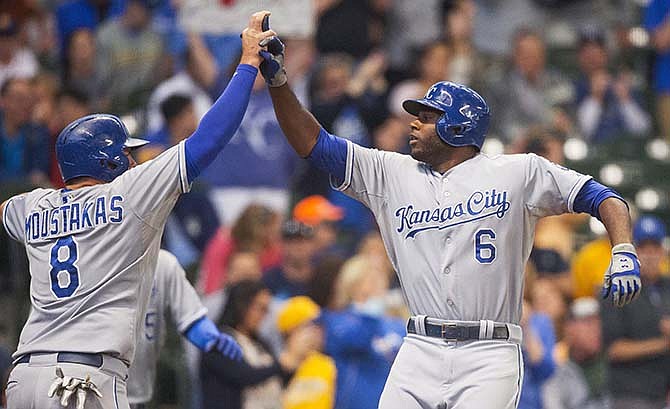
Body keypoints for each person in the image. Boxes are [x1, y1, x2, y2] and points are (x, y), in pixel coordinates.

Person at [257, 18, 641, 408]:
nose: (414, 122)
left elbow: (600, 196)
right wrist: (279, 84)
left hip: (489, 352)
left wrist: (623, 250)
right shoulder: (391, 172)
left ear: (459, 127)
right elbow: (314, 143)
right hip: (419, 346)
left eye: (427, 116)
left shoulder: (517, 171)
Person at [0, 11, 275, 409]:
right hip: (84, 380)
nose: (132, 161)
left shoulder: (33, 204)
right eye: (125, 153)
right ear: (107, 161)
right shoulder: (130, 192)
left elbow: (5, 208)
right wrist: (248, 64)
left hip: (23, 380)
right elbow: (209, 137)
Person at [127, 249, 242, 409]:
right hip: (90, 386)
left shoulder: (162, 263)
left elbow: (192, 318)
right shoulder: (89, 257)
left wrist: (211, 338)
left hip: (137, 393)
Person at [200, 280, 311, 409]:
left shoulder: (261, 344)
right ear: (242, 306)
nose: (263, 316)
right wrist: (281, 365)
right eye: (260, 308)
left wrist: (294, 358)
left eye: (266, 310)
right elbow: (244, 375)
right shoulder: (218, 342)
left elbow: (278, 379)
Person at [600, 215, 670, 409]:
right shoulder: (616, 287)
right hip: (629, 394)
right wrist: (663, 343)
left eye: (654, 248)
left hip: (663, 392)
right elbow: (614, 350)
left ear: (662, 251)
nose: (649, 255)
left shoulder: (667, 287)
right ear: (634, 251)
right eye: (643, 248)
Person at [543, 297, 611, 409]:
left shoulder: (615, 363)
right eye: (588, 323)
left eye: (599, 322)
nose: (596, 329)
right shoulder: (557, 362)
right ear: (569, 328)